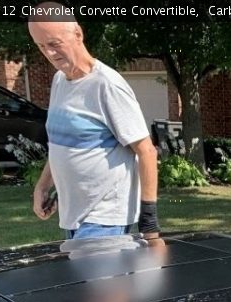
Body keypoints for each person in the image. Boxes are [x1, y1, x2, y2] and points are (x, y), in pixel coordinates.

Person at [28, 2, 161, 242]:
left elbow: (146, 151)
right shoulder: (59, 81)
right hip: (73, 216)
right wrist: (43, 185)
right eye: (41, 46)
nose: (49, 53)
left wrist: (149, 222)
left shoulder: (106, 85)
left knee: (98, 281)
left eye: (55, 44)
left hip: (104, 218)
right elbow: (62, 144)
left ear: (77, 33)